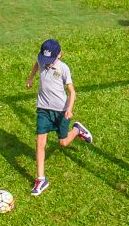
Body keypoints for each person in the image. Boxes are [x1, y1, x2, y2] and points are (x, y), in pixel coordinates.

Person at [28, 38, 93, 197]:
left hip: (61, 111)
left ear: (59, 55)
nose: (46, 63)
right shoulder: (41, 60)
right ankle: (41, 179)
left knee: (63, 142)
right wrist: (31, 78)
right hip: (43, 109)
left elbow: (72, 92)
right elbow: (36, 64)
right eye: (45, 59)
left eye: (50, 60)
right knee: (40, 142)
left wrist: (69, 110)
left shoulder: (63, 69)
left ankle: (77, 129)